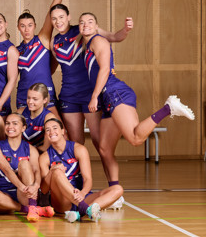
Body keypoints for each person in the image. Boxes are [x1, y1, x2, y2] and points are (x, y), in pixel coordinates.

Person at [80, 13, 195, 184]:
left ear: (97, 26)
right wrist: (125, 30)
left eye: (90, 22)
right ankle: (115, 192)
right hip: (108, 98)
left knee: (135, 138)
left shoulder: (98, 41)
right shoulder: (91, 40)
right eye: (82, 22)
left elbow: (104, 69)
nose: (85, 25)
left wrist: (94, 97)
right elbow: (115, 36)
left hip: (114, 92)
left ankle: (168, 108)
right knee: (104, 149)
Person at [50, 2, 132, 168]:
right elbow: (50, 68)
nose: (58, 21)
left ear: (68, 17)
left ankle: (113, 185)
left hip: (89, 93)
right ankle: (78, 184)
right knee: (75, 143)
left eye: (61, 17)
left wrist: (126, 30)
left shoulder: (83, 29)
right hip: (68, 96)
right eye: (54, 19)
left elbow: (115, 37)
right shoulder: (54, 42)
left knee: (99, 143)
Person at [15, 0, 82, 115]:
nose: (26, 29)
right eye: (22, 25)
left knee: (58, 131)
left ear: (35, 25)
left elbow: (52, 10)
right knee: (19, 131)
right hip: (24, 96)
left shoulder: (42, 40)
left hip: (47, 95)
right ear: (18, 28)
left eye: (30, 25)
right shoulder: (15, 50)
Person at [39, 118, 124, 222]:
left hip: (80, 196)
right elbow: (43, 190)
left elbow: (87, 179)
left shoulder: (79, 149)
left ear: (62, 131)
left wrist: (82, 193)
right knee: (57, 172)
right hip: (62, 202)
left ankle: (80, 213)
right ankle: (85, 209)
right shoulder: (44, 157)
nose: (51, 132)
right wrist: (52, 171)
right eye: (47, 130)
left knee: (118, 189)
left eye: (55, 128)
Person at [0, 113, 54, 222]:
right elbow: (7, 170)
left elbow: (37, 171)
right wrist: (22, 187)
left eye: (15, 124)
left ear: (23, 128)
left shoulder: (31, 149)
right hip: (4, 197)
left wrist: (36, 185)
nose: (10, 127)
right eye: (7, 123)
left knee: (24, 163)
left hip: (25, 194)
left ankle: (31, 205)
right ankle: (30, 209)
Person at [18, 83, 56, 152]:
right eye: (28, 98)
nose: (30, 102)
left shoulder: (49, 117)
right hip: (21, 153)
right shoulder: (20, 112)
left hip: (41, 154)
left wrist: (27, 151)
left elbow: (45, 148)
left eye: (35, 99)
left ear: (45, 100)